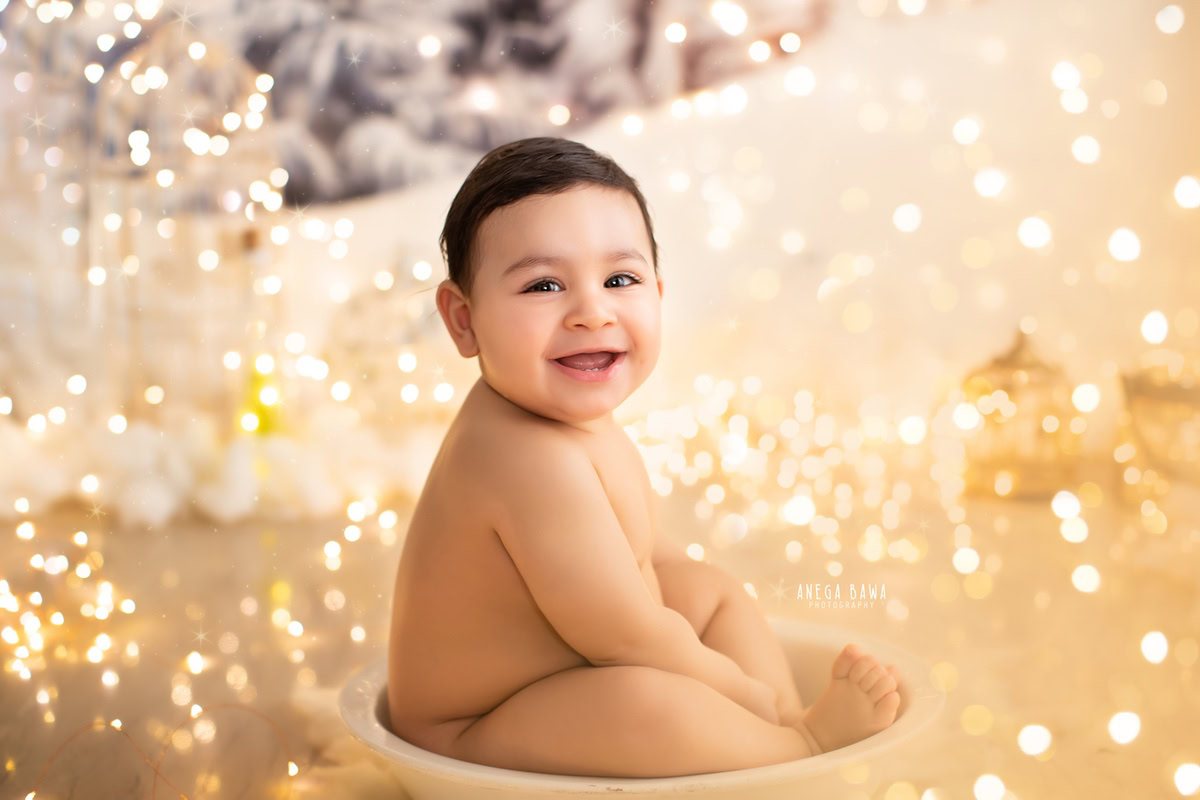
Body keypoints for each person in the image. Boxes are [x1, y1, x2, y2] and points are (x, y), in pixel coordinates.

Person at [386, 136, 902, 777]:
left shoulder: (574, 422)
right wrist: (738, 690)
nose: (591, 312)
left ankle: (784, 726)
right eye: (543, 285)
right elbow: (624, 634)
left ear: (658, 292)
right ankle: (801, 748)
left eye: (619, 280)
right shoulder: (520, 460)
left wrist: (709, 649)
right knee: (645, 705)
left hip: (568, 675)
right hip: (475, 728)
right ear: (464, 320)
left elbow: (647, 557)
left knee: (709, 591)